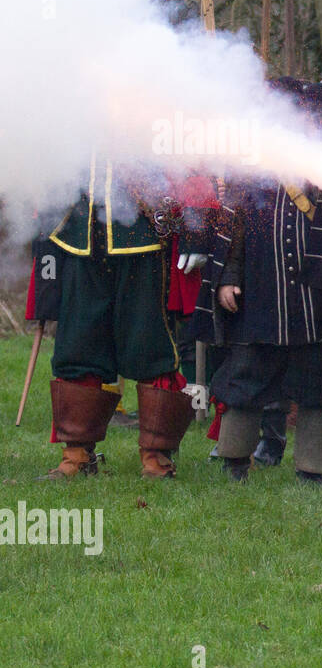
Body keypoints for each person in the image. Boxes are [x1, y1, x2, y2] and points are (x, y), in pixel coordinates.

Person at [204, 80, 322, 484]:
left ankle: (312, 471)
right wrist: (229, 277)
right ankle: (235, 461)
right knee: (245, 377)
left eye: (312, 115)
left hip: (321, 293)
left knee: (319, 384)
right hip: (260, 288)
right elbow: (234, 222)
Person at [41, 143, 196, 480]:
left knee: (150, 347)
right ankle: (77, 454)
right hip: (80, 239)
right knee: (77, 346)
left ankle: (156, 455)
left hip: (143, 244)